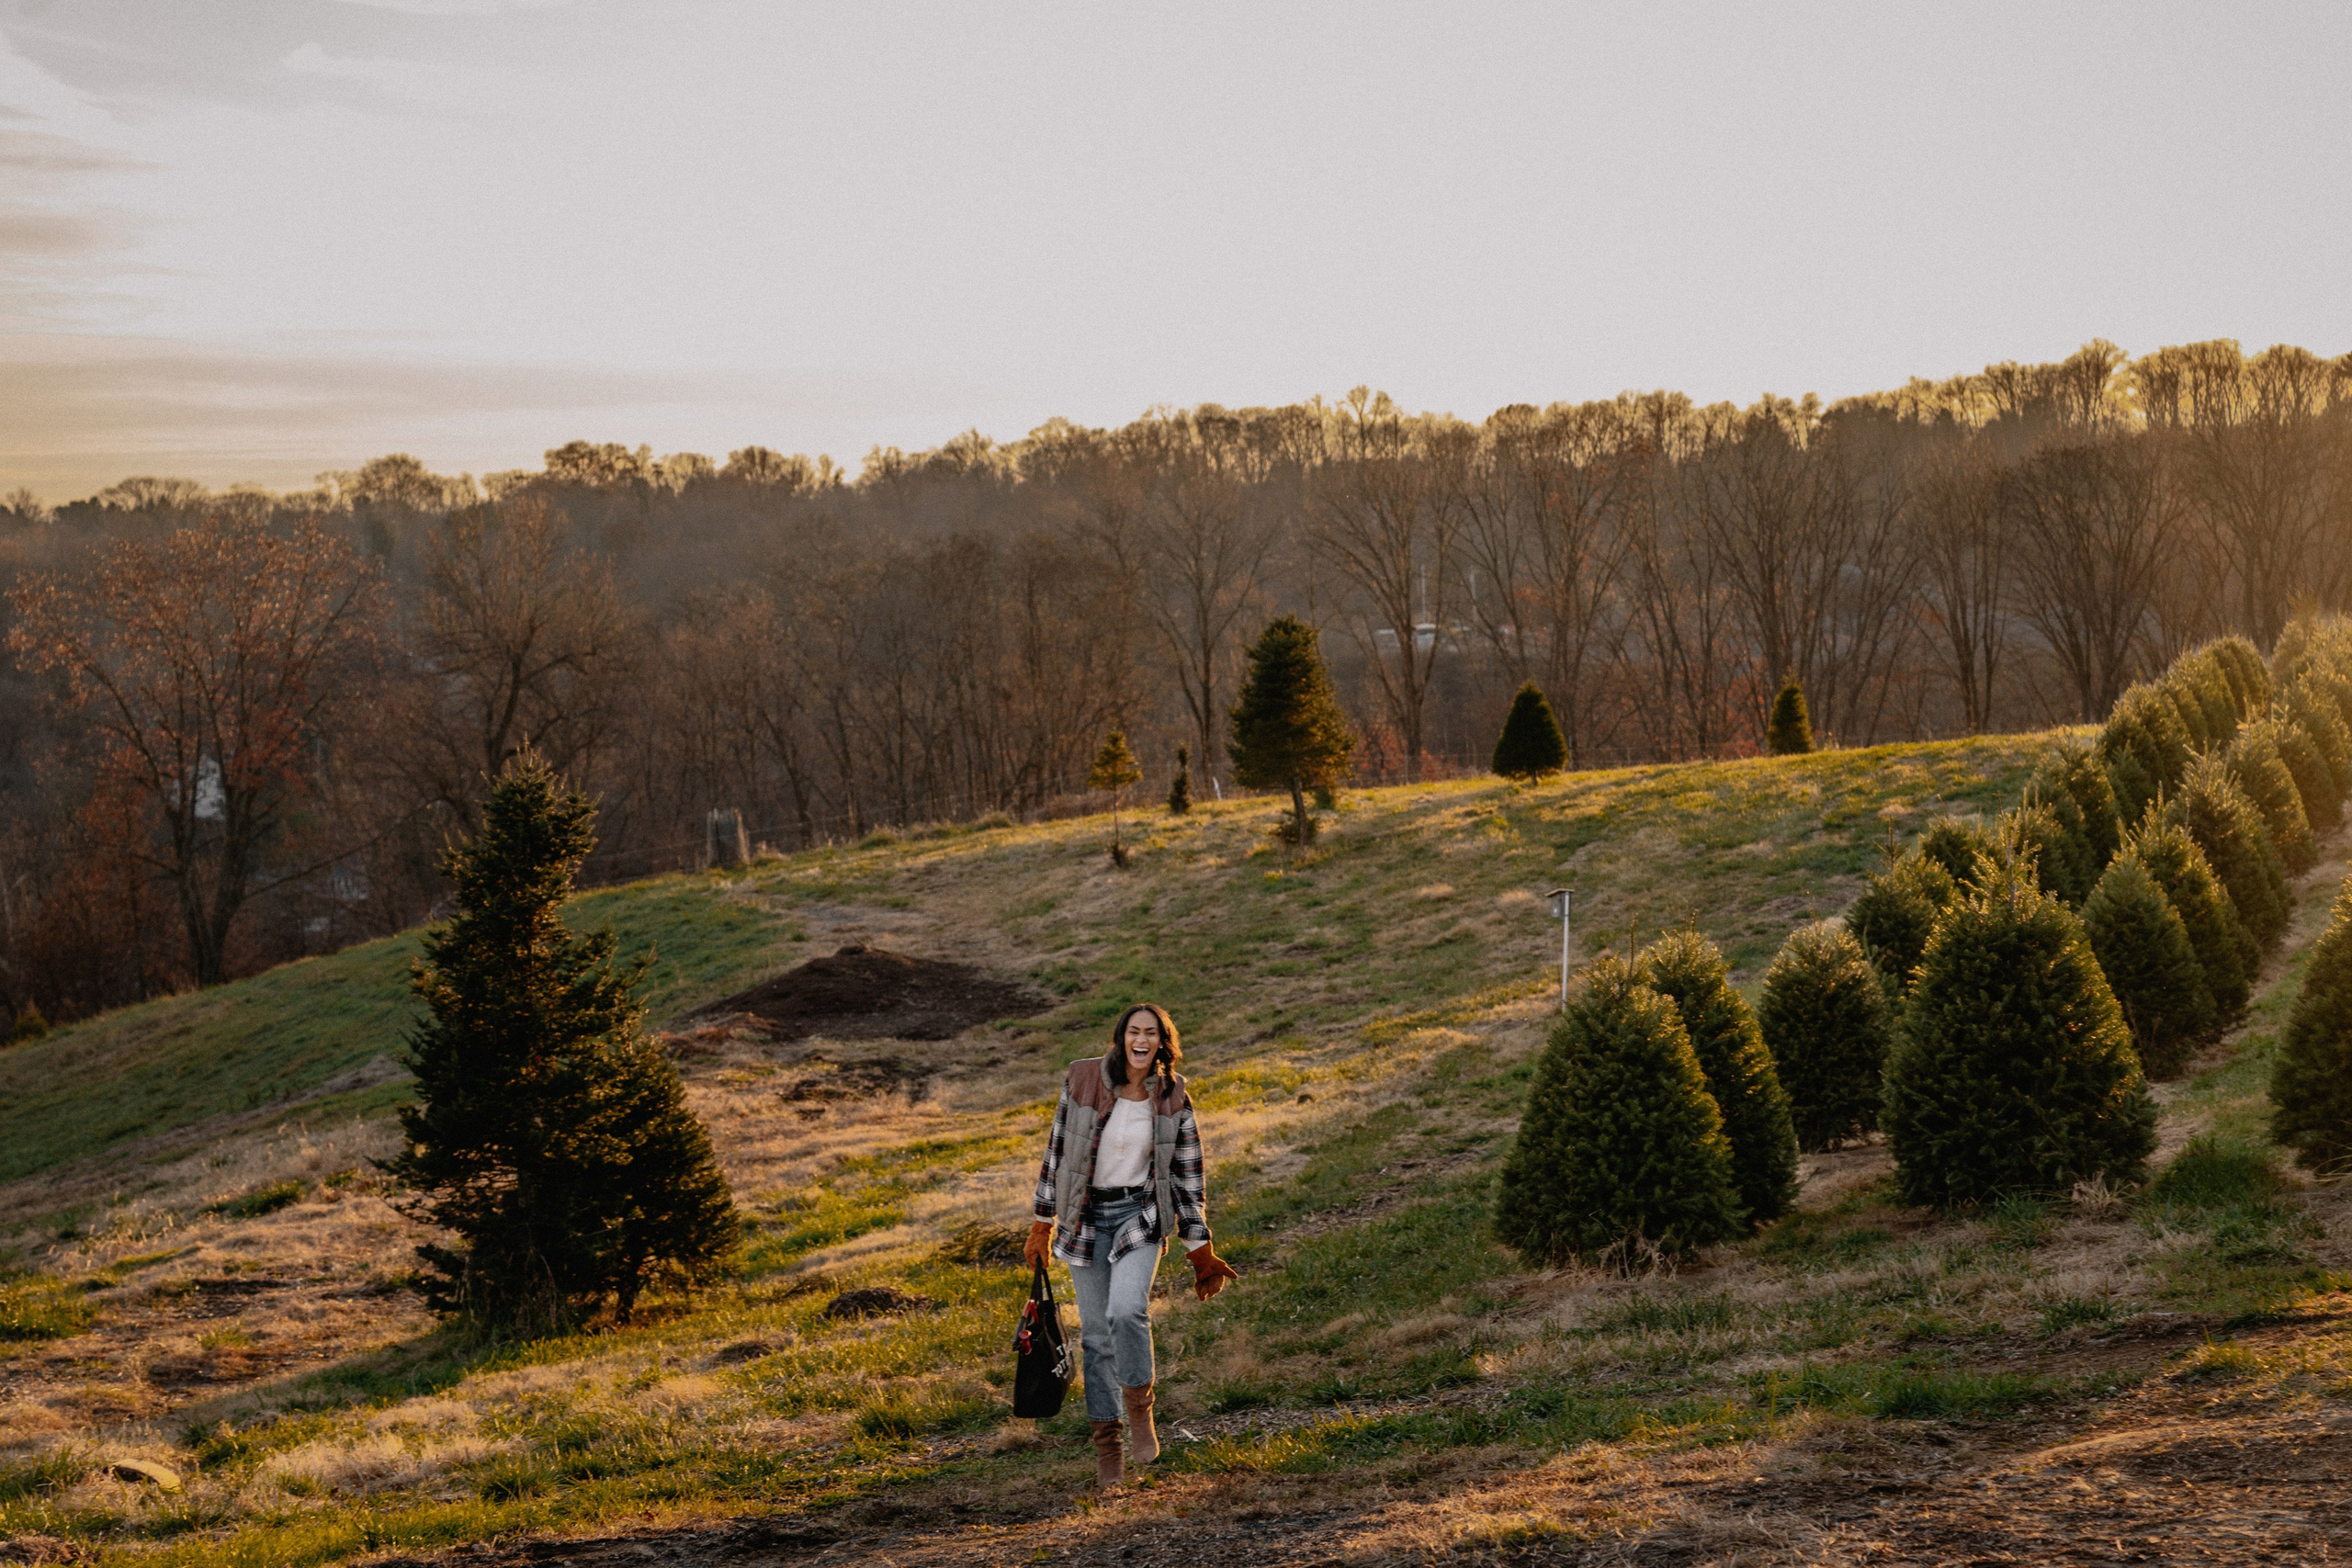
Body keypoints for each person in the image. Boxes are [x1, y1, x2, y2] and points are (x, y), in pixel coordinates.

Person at [1025, 1002, 1238, 1487]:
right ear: (1121, 1037)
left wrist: (1199, 1249)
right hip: (1084, 1218)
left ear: (1163, 1043)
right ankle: (1109, 1444)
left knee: (1127, 1311)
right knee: (1096, 1338)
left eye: (1151, 1033)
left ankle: (1140, 1407)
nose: (1141, 1040)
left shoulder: (1173, 1096)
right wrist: (1041, 1223)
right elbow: (1056, 1153)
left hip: (1139, 1216)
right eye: (1134, 1032)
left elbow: (1188, 1178)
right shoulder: (1082, 1079)